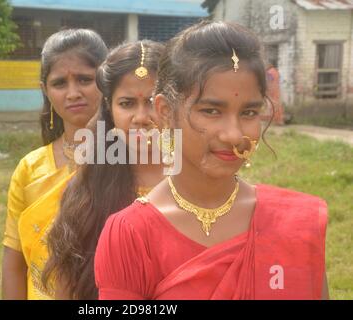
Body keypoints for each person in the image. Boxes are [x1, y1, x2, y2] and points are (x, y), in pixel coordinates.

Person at [94, 21, 329, 300]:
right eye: (211, 111)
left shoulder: (294, 223)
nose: (234, 135)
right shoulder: (130, 235)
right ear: (166, 112)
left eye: (249, 113)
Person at [42, 40, 166, 300]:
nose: (142, 117)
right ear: (109, 109)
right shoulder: (86, 189)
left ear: (171, 105)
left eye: (152, 102)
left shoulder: (196, 183)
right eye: (127, 103)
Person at [2, 29, 108, 300]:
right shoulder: (30, 169)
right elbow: (15, 264)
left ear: (108, 82)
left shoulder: (133, 159)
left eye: (85, 79)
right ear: (45, 91)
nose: (73, 93)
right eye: (60, 83)